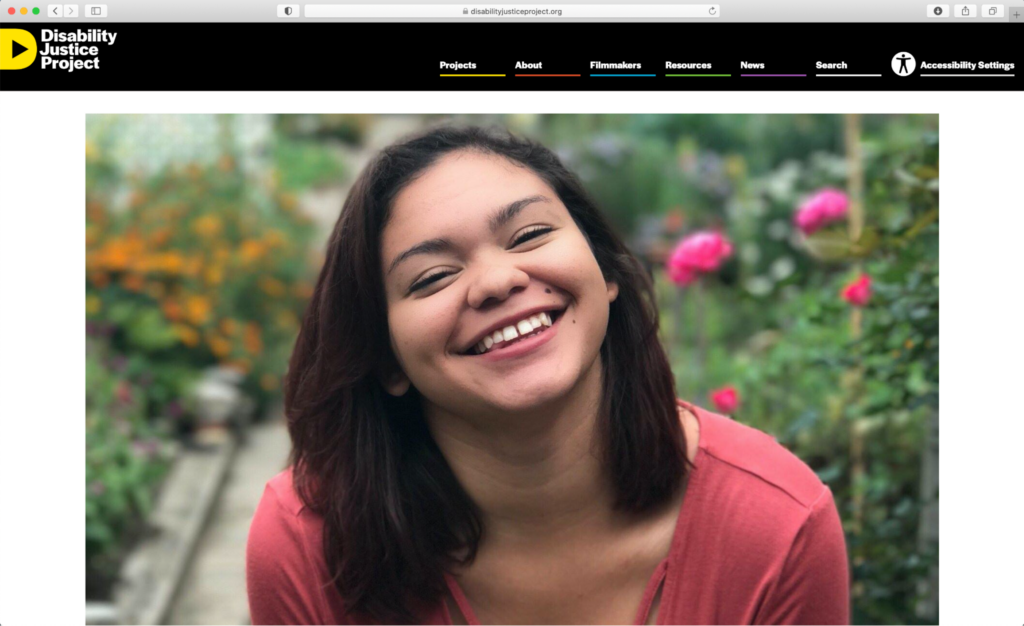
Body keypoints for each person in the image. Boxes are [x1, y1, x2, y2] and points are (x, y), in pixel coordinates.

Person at [246, 125, 850, 625]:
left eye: (530, 235)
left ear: (607, 271)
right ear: (385, 360)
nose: (497, 280)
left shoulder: (776, 526)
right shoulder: (309, 543)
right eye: (431, 277)